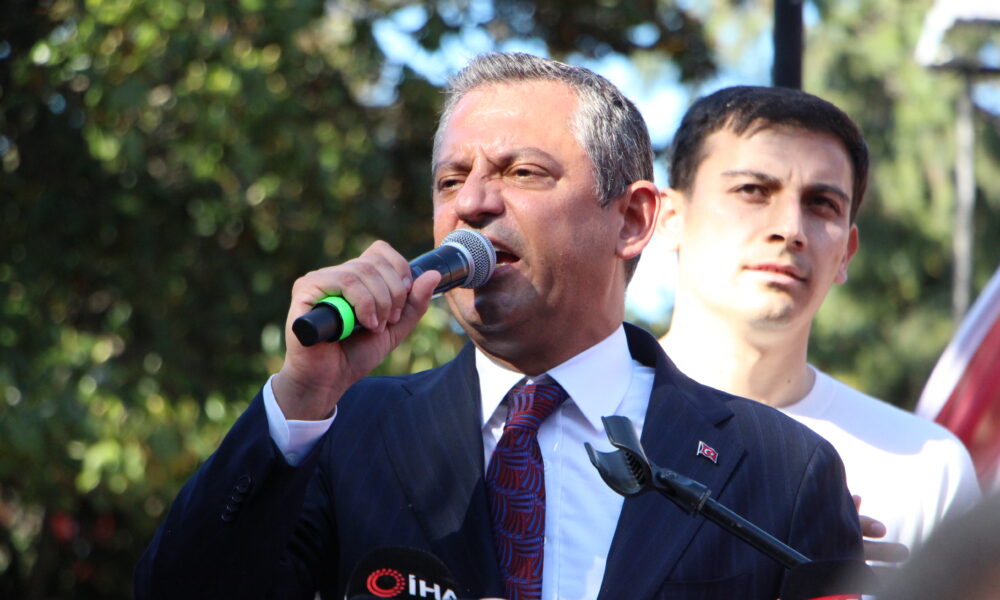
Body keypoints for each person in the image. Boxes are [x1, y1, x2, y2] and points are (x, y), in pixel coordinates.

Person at [135, 54, 862, 600]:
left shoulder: (781, 470)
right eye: (451, 180)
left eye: (522, 173)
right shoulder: (347, 432)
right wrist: (300, 397)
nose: (473, 203)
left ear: (633, 219)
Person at [656, 85, 982, 566]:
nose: (790, 229)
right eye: (752, 190)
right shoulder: (585, 421)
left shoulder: (923, 465)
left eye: (822, 203)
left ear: (846, 252)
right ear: (669, 218)